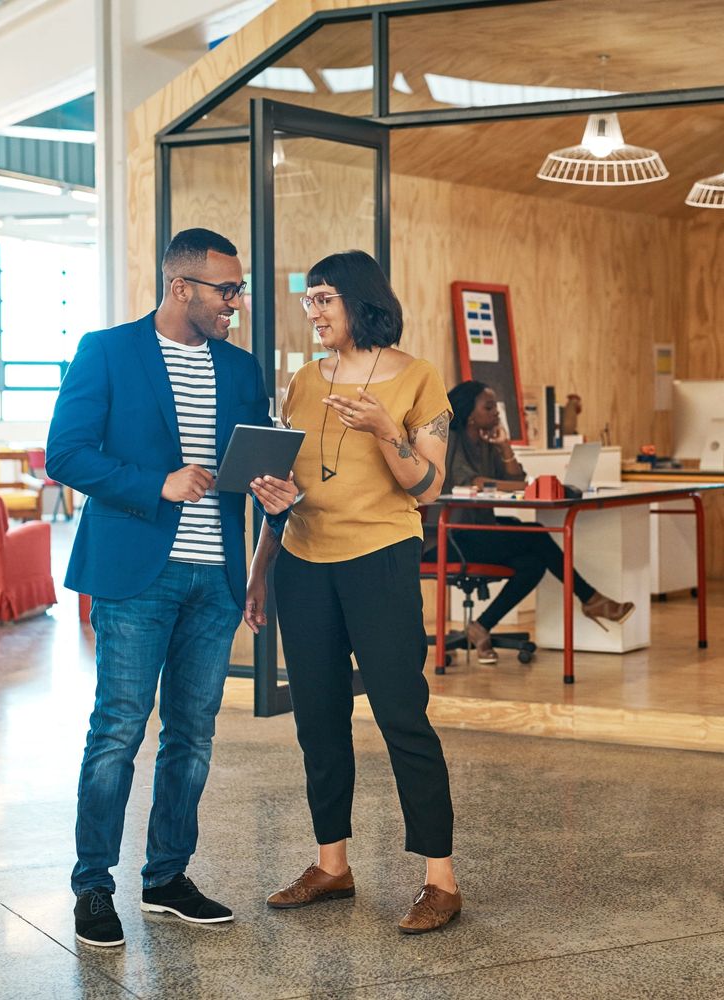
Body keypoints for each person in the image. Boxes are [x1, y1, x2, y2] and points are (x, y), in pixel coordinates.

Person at [47, 228, 298, 948]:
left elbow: (249, 467)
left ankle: (166, 878)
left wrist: (265, 528)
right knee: (118, 732)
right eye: (227, 290)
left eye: (239, 290)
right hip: (135, 576)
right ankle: (93, 885)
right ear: (181, 286)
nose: (236, 304)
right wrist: (153, 485)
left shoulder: (241, 368)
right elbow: (65, 453)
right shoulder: (109, 351)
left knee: (192, 738)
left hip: (214, 579)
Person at [245, 249, 462, 935]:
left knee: (402, 714)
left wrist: (386, 431)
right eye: (308, 300)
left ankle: (440, 878)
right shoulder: (305, 382)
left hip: (380, 559)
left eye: (324, 300)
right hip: (303, 561)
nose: (312, 313)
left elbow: (426, 488)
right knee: (318, 717)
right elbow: (294, 484)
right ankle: (331, 865)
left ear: (361, 302)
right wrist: (260, 563)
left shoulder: (419, 379)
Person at [440, 380, 634, 665]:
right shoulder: (451, 441)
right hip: (454, 536)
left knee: (533, 562)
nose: (496, 413)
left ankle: (480, 626)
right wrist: (515, 485)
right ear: (470, 414)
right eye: (489, 407)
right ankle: (591, 599)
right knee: (537, 535)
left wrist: (505, 446)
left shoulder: (484, 444)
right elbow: (473, 482)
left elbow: (517, 480)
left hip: (481, 528)